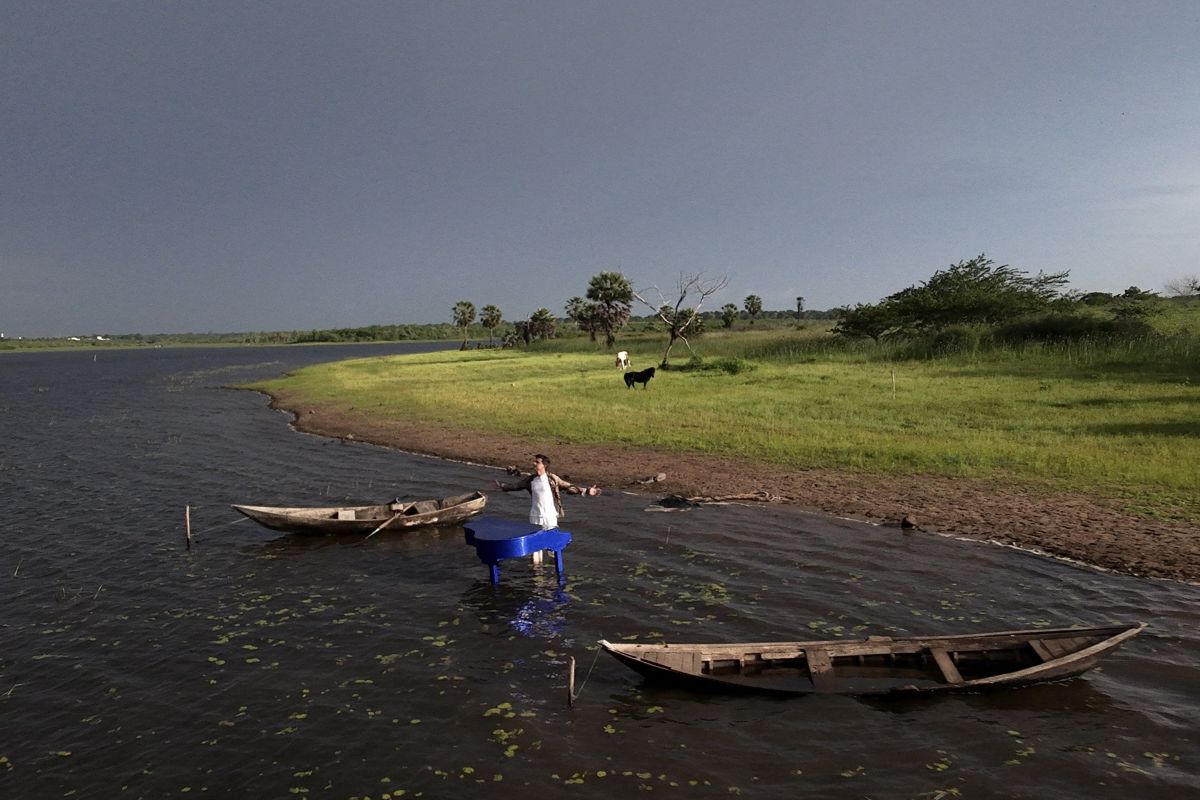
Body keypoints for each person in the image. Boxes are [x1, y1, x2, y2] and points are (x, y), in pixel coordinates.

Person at [493, 453, 600, 530]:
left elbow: (569, 486)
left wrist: (586, 490)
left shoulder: (552, 479)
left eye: (537, 462)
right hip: (535, 516)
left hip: (550, 516)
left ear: (544, 465)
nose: (534, 463)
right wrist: (502, 487)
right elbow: (516, 486)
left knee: (552, 545)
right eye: (534, 461)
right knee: (535, 547)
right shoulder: (530, 480)